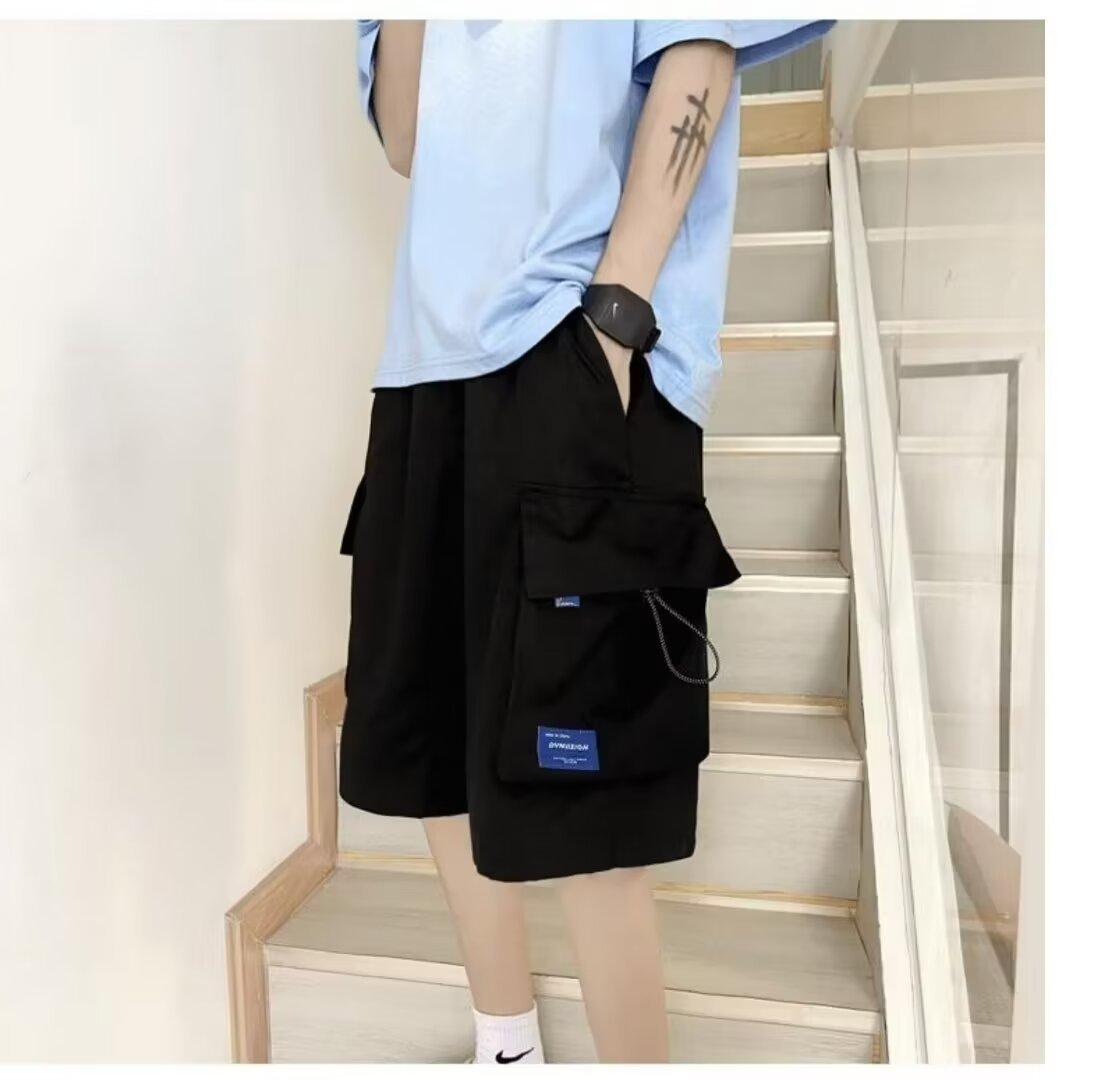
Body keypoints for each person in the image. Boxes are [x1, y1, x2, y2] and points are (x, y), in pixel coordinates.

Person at [338, 18, 836, 1064]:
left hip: (579, 339)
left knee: (590, 785)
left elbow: (699, 52)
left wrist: (617, 311)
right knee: (433, 745)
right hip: (422, 363)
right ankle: (506, 1045)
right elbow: (409, 136)